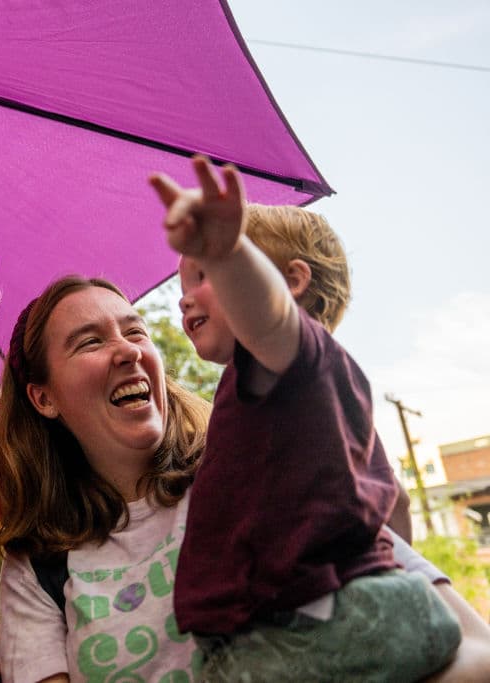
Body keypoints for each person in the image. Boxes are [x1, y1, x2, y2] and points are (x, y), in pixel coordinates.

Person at [0, 274, 490, 682]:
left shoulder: (263, 474)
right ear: (43, 398)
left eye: (136, 331)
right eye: (91, 342)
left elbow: (475, 651)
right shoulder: (36, 569)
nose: (127, 351)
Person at [149, 156, 463, 681]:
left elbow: (269, 316)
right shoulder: (314, 388)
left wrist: (230, 255)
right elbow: (398, 501)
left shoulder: (286, 355)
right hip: (354, 606)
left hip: (313, 620)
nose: (184, 298)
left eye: (203, 274)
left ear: (291, 282)